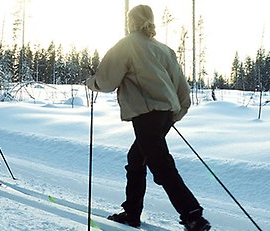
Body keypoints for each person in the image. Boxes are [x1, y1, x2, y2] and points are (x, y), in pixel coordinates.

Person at [86, 5, 210, 231]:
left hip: (146, 115)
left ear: (131, 22)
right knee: (136, 159)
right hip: (164, 116)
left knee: (160, 164)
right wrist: (173, 114)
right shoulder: (164, 50)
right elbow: (182, 89)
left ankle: (193, 216)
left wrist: (91, 82)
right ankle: (132, 213)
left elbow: (107, 81)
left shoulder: (127, 44)